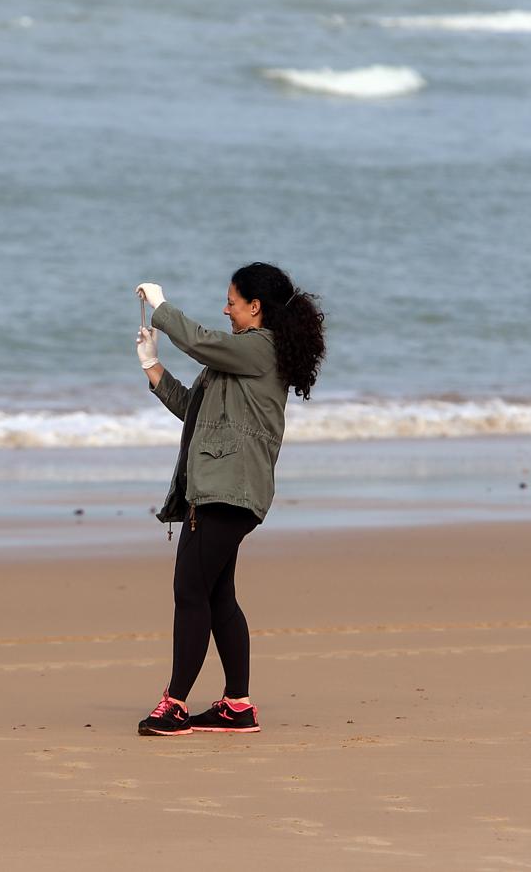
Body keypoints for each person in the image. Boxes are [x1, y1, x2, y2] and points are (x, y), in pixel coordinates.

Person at [132, 263, 326, 736]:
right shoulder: (239, 357)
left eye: (232, 301)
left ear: (255, 307)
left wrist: (161, 308)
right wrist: (152, 367)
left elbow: (201, 341)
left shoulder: (261, 348)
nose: (225, 309)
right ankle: (237, 705)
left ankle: (174, 704)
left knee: (190, 591)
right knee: (218, 596)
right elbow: (192, 412)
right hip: (220, 489)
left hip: (230, 489)